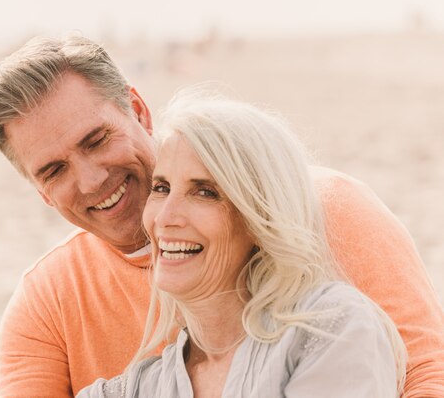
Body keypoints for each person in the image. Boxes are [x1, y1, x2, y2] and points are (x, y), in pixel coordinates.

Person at [0, 35, 444, 398]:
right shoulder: (48, 300)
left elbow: (427, 371)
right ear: (41, 192)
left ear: (137, 110)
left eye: (95, 140)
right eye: (54, 171)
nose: (92, 180)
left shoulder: (328, 209)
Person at [77, 88, 407, 397]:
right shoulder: (145, 385)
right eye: (161, 188)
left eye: (204, 192)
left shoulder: (331, 328)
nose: (165, 218)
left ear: (259, 215)